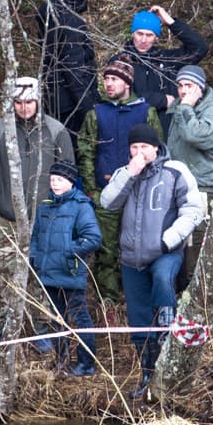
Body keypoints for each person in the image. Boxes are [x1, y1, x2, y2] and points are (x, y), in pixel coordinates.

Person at [100, 123, 205, 399]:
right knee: (138, 320)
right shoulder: (126, 174)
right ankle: (147, 373)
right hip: (132, 258)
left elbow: (194, 210)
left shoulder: (175, 171)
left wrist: (168, 240)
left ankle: (168, 327)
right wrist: (130, 174)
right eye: (134, 147)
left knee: (162, 280)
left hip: (165, 251)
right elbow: (108, 202)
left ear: (155, 148)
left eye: (144, 147)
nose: (138, 152)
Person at [0, 76, 74, 345]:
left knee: (40, 277)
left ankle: (40, 328)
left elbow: (68, 173)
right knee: (2, 277)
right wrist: (0, 199)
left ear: (38, 101)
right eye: (17, 102)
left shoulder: (55, 131)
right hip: (7, 219)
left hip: (44, 218)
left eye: (29, 101)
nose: (24, 107)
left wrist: (55, 206)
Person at [77, 56, 162, 303]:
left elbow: (158, 153)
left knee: (143, 247)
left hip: (140, 194)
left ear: (127, 83)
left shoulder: (147, 111)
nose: (109, 85)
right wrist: (93, 190)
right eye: (106, 80)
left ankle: (141, 299)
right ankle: (109, 301)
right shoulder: (96, 114)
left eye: (114, 79)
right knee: (106, 250)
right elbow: (85, 152)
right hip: (106, 193)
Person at [29, 159, 103, 376]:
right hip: (47, 273)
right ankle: (61, 360)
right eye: (52, 179)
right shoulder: (45, 206)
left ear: (71, 182)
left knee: (79, 318)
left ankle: (86, 363)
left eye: (60, 180)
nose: (55, 184)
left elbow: (93, 238)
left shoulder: (81, 206)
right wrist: (35, 258)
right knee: (56, 318)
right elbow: (36, 237)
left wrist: (69, 252)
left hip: (70, 272)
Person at [165, 65, 213, 290]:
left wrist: (186, 109)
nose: (183, 91)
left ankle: (196, 297)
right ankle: (179, 292)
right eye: (180, 86)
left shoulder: (212, 110)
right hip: (179, 184)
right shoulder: (179, 108)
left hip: (203, 186)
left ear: (200, 88)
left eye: (188, 86)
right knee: (178, 241)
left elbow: (196, 136)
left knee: (195, 244)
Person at [122, 5, 209, 135]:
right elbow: (122, 96)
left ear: (156, 37)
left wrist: (169, 21)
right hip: (134, 133)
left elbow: (199, 48)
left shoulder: (167, 60)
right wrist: (161, 100)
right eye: (140, 34)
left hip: (168, 132)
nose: (143, 40)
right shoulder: (121, 61)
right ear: (133, 33)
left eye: (149, 35)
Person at [36, 0, 98, 152]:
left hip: (54, 97)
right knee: (75, 154)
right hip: (72, 104)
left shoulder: (49, 16)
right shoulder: (70, 22)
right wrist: (88, 110)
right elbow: (74, 70)